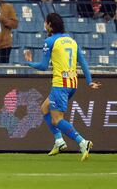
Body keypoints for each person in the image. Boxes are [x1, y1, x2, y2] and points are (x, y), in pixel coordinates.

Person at [24, 13, 101, 161]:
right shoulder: (71, 41)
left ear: (50, 25)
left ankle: (82, 142)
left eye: (45, 22)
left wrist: (29, 62)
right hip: (73, 83)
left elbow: (43, 66)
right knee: (44, 108)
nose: (44, 25)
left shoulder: (50, 41)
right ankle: (59, 141)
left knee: (57, 120)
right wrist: (89, 81)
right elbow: (83, 61)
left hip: (60, 84)